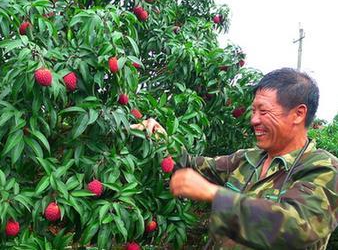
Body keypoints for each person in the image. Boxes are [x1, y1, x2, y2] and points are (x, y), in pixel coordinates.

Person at [132, 68, 338, 249]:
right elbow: (191, 165)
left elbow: (297, 227)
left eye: (263, 111)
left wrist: (214, 194)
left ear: (298, 114)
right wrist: (161, 139)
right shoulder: (248, 159)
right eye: (254, 111)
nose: (254, 120)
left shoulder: (323, 168)